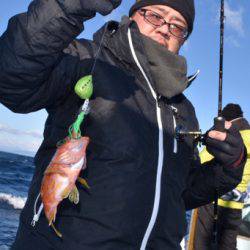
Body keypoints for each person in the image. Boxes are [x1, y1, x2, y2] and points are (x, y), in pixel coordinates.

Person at [0, 1, 246, 249]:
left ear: (183, 39)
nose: (164, 29)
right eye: (155, 16)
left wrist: (229, 167)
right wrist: (70, 4)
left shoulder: (183, 109)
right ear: (133, 16)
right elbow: (12, 77)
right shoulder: (87, 60)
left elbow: (181, 193)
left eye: (177, 26)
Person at [192, 104, 250, 250]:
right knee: (228, 244)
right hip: (236, 204)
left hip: (211, 200)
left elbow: (202, 161)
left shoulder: (227, 135)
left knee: (201, 244)